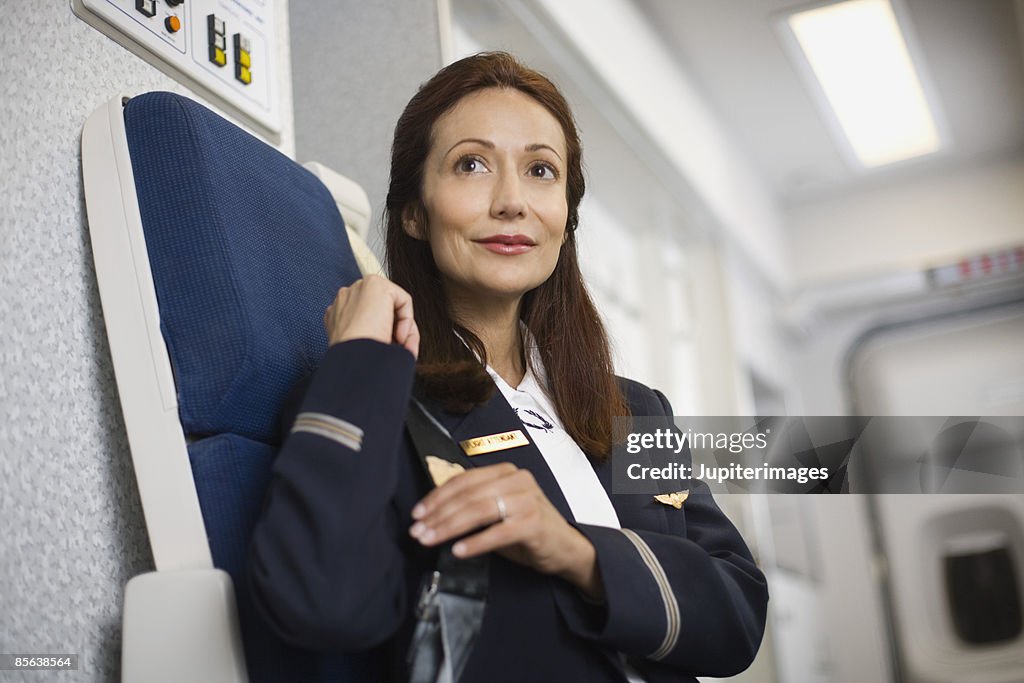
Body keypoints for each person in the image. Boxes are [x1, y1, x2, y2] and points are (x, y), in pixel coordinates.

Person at [248, 51, 768, 682]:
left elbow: (738, 616)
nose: (512, 201)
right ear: (414, 211)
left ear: (567, 219)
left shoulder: (636, 412)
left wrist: (579, 553)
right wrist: (357, 362)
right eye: (471, 164)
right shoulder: (371, 399)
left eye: (541, 170)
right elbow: (321, 604)